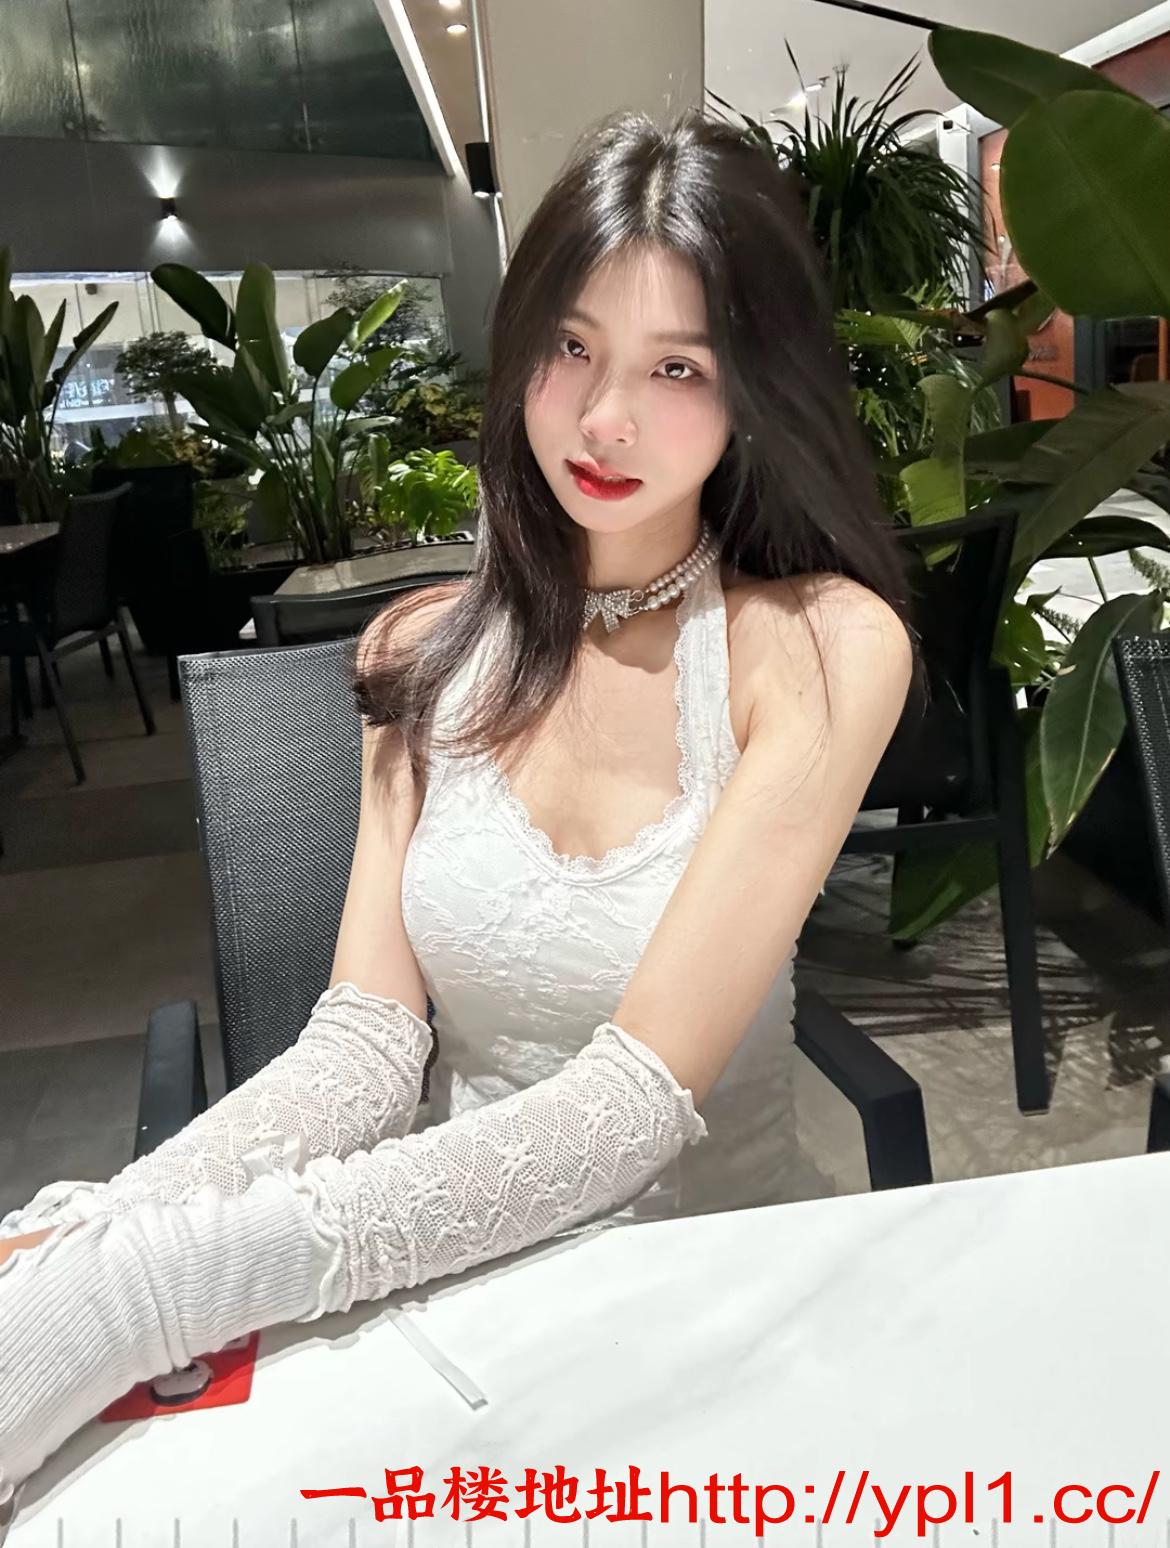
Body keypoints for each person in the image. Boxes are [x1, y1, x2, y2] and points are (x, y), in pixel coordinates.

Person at [0, 106, 920, 1508]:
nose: (603, 419)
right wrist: (104, 1227)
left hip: (720, 1303)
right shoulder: (420, 654)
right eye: (572, 347)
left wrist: (149, 1289)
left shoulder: (817, 649)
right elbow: (367, 1045)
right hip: (465, 1294)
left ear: (755, 387)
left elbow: (631, 1105)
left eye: (676, 366)